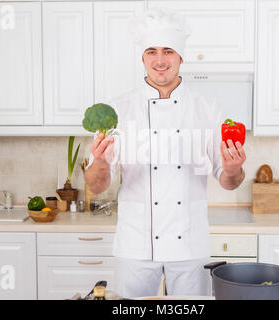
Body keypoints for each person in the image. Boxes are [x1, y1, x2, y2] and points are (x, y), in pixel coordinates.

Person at [84, 7, 246, 298]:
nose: (160, 60)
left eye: (168, 51)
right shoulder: (119, 110)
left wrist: (234, 170)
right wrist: (99, 161)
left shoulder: (207, 109)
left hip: (189, 244)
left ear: (181, 57)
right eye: (152, 51)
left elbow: (228, 180)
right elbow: (96, 185)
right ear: (143, 57)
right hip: (135, 244)